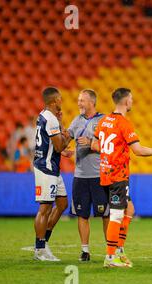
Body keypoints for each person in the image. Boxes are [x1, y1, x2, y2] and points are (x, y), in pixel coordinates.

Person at [91, 88, 152, 268]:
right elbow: (138, 150)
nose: (132, 102)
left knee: (129, 209)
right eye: (131, 99)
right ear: (126, 101)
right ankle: (111, 258)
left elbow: (95, 144)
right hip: (118, 174)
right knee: (117, 215)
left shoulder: (104, 120)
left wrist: (109, 153)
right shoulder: (124, 123)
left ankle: (119, 250)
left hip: (105, 172)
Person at [65, 89, 110, 262]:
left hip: (99, 175)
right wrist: (65, 148)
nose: (78, 103)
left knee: (105, 214)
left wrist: (92, 143)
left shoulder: (104, 121)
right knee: (82, 214)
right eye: (78, 100)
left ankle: (110, 250)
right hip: (80, 176)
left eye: (82, 100)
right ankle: (85, 251)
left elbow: (109, 146)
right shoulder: (76, 120)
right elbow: (67, 137)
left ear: (91, 102)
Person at [33, 87, 70, 261]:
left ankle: (44, 243)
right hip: (46, 168)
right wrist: (69, 136)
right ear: (55, 101)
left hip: (52, 167)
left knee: (62, 204)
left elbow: (48, 143)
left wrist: (61, 125)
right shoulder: (51, 119)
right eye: (60, 98)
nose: (62, 101)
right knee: (45, 208)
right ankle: (39, 249)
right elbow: (59, 145)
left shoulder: (45, 116)